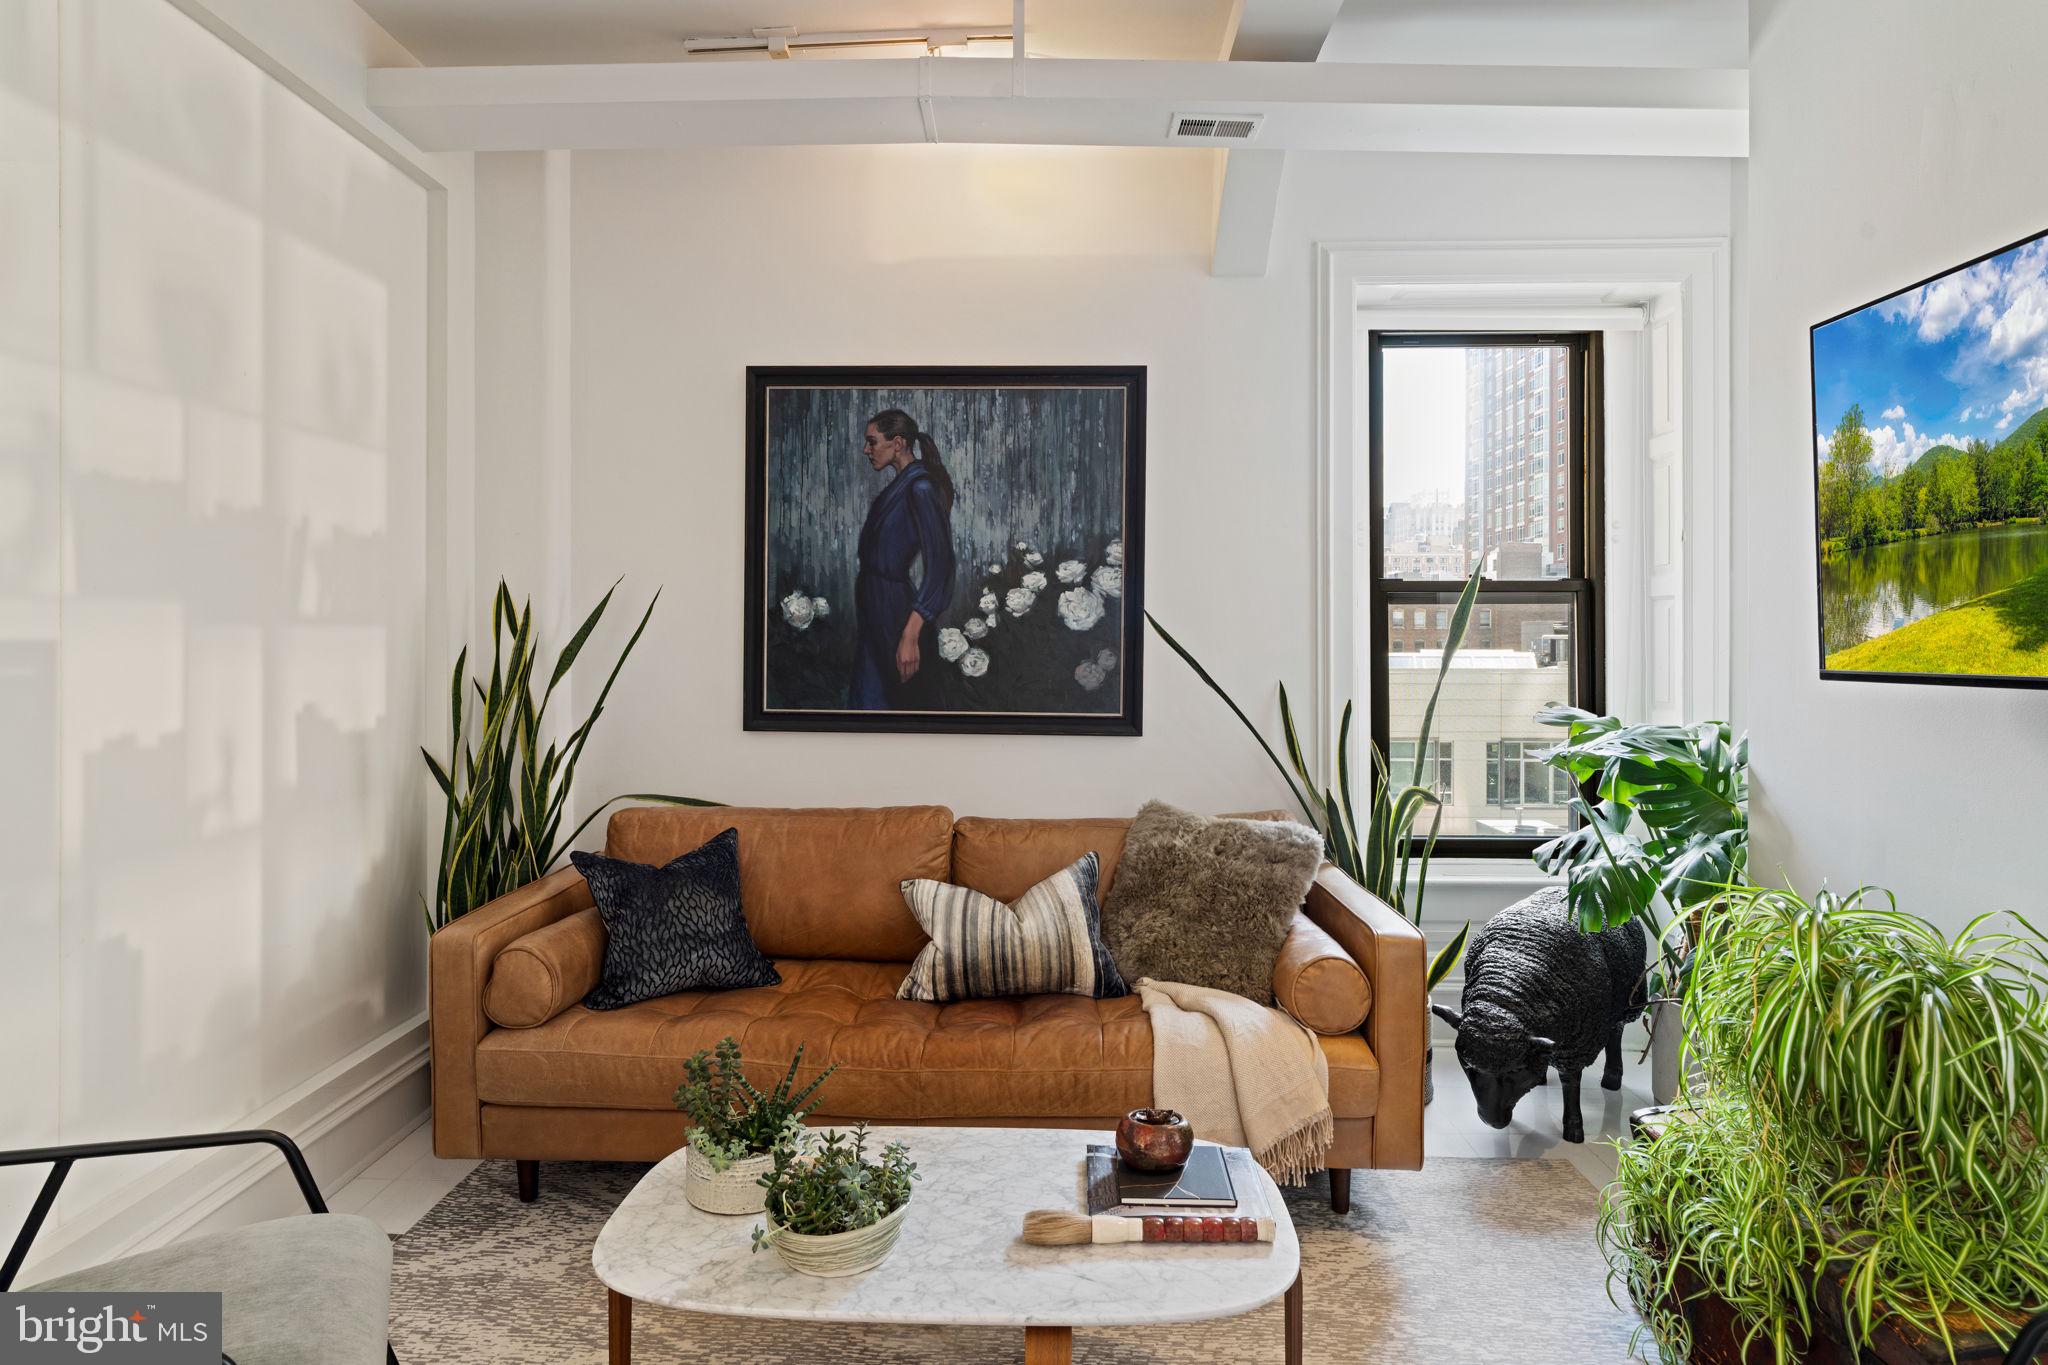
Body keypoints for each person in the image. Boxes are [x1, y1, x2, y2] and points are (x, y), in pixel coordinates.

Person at [851, 409, 956, 709]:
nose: (866, 450)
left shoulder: (921, 488)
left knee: (903, 702)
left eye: (872, 441)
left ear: (897, 444)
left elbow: (941, 567)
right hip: (874, 611)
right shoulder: (900, 487)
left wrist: (910, 635)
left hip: (895, 615)